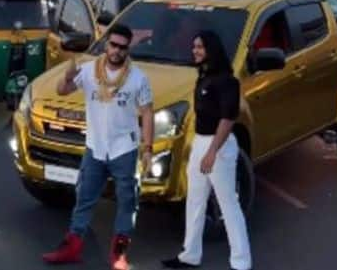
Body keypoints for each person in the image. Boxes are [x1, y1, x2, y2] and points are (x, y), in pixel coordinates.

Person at [42, 24, 154, 270]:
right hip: (95, 148)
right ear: (106, 44)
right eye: (113, 45)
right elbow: (62, 91)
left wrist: (148, 149)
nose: (116, 51)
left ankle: (119, 253)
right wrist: (68, 77)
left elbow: (147, 112)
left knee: (127, 202)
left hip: (123, 149)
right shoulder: (89, 70)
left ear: (127, 50)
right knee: (84, 197)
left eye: (122, 47)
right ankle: (72, 247)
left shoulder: (137, 78)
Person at [162, 31, 252, 270]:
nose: (195, 51)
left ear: (211, 49)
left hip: (219, 146)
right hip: (201, 142)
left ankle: (241, 262)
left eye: (200, 47)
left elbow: (228, 117)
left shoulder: (226, 81)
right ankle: (190, 255)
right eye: (194, 47)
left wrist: (212, 151)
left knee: (228, 203)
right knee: (195, 201)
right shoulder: (203, 77)